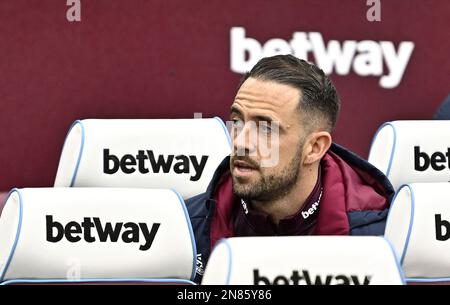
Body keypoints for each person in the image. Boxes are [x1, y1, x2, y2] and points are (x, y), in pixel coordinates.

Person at [186, 54, 394, 281]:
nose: (240, 143)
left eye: (265, 129)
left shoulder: (383, 235)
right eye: (237, 122)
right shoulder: (188, 228)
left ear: (314, 147)